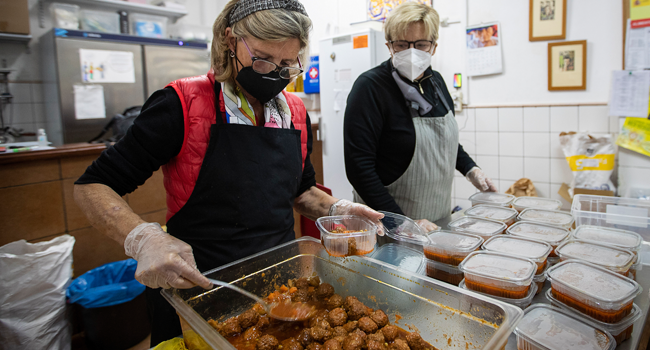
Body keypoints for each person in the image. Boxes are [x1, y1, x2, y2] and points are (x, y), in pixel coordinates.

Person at [73, 0, 383, 345]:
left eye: (285, 65)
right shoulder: (181, 104)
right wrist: (143, 238)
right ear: (229, 40)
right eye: (263, 59)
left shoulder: (294, 113)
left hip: (280, 287)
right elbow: (93, 185)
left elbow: (302, 191)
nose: (272, 74)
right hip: (196, 289)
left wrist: (338, 209)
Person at [344, 2, 497, 231]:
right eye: (402, 44)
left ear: (434, 47)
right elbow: (359, 168)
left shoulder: (436, 83)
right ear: (389, 46)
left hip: (436, 222)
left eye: (421, 44)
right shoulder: (370, 87)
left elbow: (446, 142)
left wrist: (471, 169)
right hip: (386, 228)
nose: (412, 52)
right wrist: (401, 223)